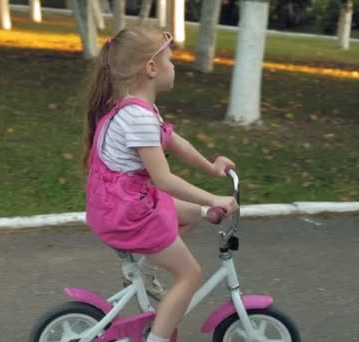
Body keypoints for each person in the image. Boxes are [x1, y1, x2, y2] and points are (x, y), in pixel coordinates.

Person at [82, 25, 239, 342]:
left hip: (120, 206)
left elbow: (174, 141)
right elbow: (163, 179)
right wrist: (214, 199)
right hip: (128, 216)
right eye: (170, 60)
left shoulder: (133, 108)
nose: (174, 67)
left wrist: (211, 167)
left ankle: (147, 271)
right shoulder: (137, 117)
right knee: (190, 275)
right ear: (151, 68)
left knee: (191, 213)